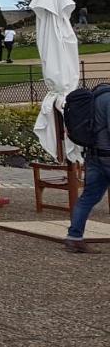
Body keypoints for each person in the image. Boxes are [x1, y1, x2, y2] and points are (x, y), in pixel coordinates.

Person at [66, 83, 110, 253]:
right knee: (89, 197)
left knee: (88, 198)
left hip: (93, 155)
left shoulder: (93, 98)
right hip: (107, 154)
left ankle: (74, 238)